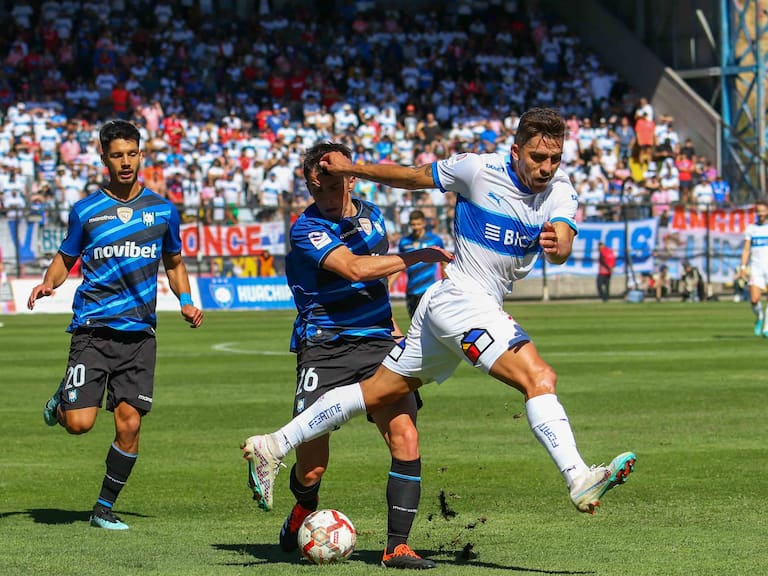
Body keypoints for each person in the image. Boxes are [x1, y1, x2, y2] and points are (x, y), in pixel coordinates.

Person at [242, 108, 636, 532]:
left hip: (446, 308)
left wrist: (558, 244)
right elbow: (412, 177)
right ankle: (577, 476)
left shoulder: (561, 189)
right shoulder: (476, 169)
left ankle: (274, 443)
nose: (546, 167)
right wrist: (353, 167)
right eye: (538, 157)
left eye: (555, 158)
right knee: (538, 377)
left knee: (373, 393)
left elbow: (561, 243)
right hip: (462, 300)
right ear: (516, 150)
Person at [271, 142, 451, 569]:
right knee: (312, 468)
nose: (323, 183)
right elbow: (353, 268)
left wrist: (389, 326)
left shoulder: (372, 216)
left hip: (376, 344)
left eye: (332, 175)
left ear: (351, 176)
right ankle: (303, 507)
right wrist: (416, 256)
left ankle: (397, 547)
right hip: (326, 345)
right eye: (315, 177)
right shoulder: (305, 228)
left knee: (405, 435)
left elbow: (375, 280)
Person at [27, 119, 204, 530]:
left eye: (131, 154)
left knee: (129, 424)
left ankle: (103, 508)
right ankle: (64, 397)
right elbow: (65, 257)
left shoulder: (162, 210)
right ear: (104, 158)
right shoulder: (86, 211)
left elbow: (174, 262)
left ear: (141, 155)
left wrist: (187, 300)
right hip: (93, 329)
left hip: (140, 335)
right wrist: (47, 283)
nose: (125, 162)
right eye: (116, 155)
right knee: (79, 425)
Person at [393, 209, 445, 317]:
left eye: (418, 224)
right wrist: (389, 283)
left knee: (431, 325)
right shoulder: (404, 242)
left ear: (424, 223)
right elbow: (400, 265)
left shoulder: (434, 240)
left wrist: (446, 282)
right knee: (414, 326)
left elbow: (443, 262)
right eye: (413, 224)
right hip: (412, 291)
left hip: (430, 290)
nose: (416, 227)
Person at [739, 200, 768, 336]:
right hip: (756, 268)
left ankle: (767, 328)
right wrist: (743, 266)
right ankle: (760, 317)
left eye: (762, 210)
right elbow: (746, 249)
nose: (760, 213)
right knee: (754, 299)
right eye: (758, 211)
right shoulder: (751, 228)